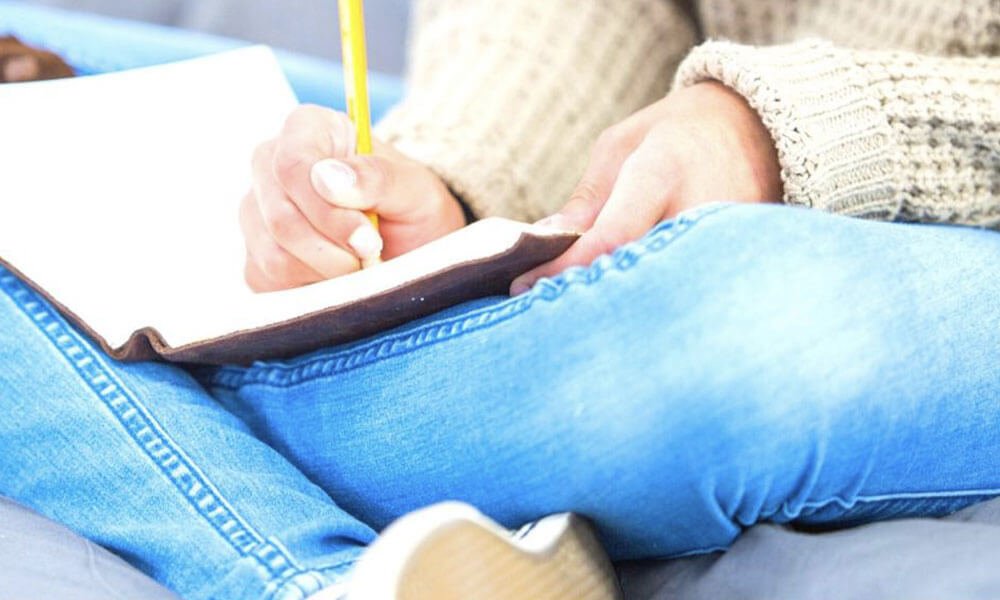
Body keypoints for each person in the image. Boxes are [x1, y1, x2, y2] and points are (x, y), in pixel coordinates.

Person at [2, 0, 999, 599]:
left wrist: (799, 132)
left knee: (754, 325)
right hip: (659, 132)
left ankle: (250, 511)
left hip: (920, 208)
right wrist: (451, 180)